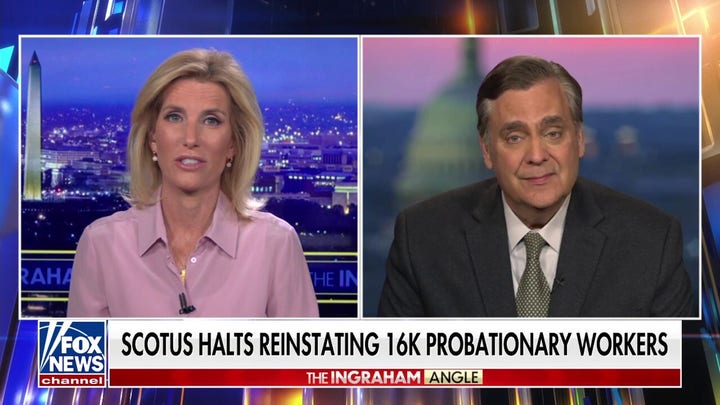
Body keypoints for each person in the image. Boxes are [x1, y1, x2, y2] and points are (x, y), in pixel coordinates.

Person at [378, 55, 694, 318]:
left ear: (579, 140)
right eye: (515, 137)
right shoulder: (422, 242)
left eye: (553, 133)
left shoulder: (652, 242)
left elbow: (682, 372)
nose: (537, 155)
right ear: (486, 150)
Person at [68, 49, 319, 317]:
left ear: (233, 144)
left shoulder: (276, 244)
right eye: (174, 117)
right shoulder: (101, 245)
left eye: (211, 121)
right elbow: (82, 346)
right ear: (153, 138)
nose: (190, 138)